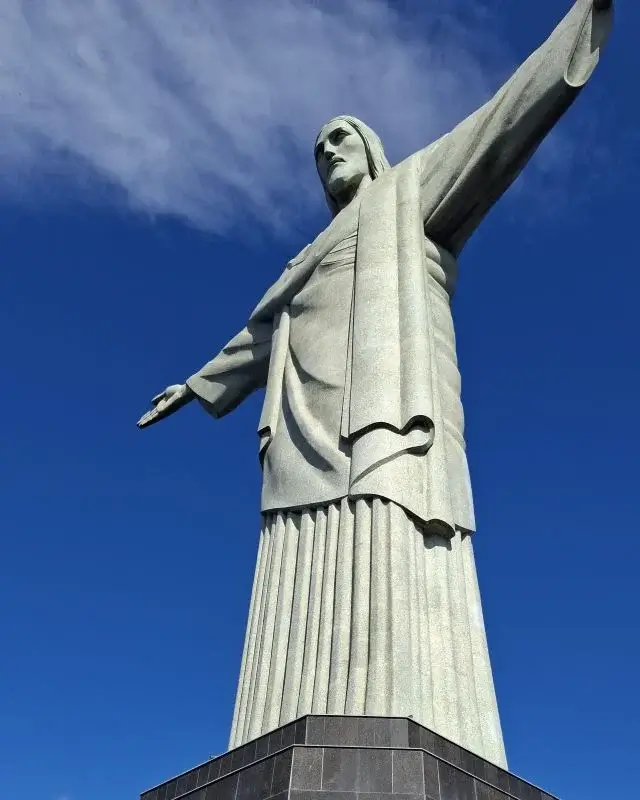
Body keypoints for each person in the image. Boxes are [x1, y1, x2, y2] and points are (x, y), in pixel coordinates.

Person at [137, 0, 612, 767]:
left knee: (387, 542)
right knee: (298, 562)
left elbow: (500, 125)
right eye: (318, 145)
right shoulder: (304, 257)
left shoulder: (411, 196)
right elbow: (260, 336)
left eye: (341, 136)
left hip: (383, 418)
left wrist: (581, 23)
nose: (327, 149)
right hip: (301, 432)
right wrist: (196, 387)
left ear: (372, 149)